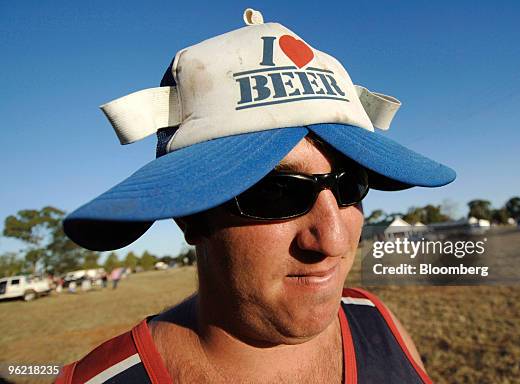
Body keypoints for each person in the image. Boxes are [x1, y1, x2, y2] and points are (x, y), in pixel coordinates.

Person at [55, 9, 455, 384]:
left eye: (350, 186)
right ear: (191, 217)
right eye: (277, 192)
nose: (332, 241)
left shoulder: (380, 324)